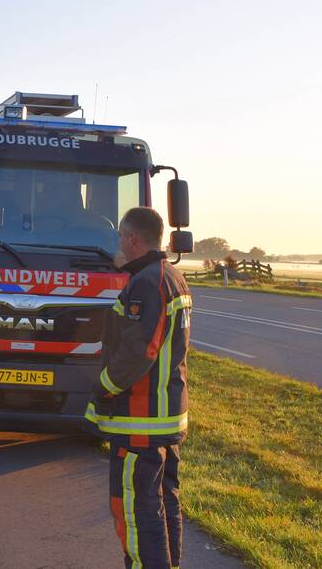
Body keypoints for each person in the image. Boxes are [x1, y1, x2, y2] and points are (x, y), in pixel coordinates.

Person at [85, 207, 192, 569]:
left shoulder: (148, 282)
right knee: (163, 506)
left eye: (120, 237)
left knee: (136, 512)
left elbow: (138, 350)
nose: (118, 243)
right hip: (165, 419)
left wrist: (102, 389)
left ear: (132, 238)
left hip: (140, 423)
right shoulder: (173, 277)